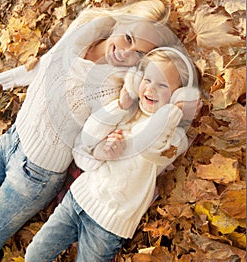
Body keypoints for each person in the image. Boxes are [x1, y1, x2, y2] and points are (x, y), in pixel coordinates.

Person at [0, 0, 179, 256]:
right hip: (11, 138)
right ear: (121, 20)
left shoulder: (118, 88)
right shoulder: (85, 29)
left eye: (138, 53)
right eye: (128, 38)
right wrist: (3, 81)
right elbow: (45, 65)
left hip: (35, 173)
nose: (125, 52)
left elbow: (97, 138)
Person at [24, 46, 200, 262]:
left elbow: (151, 145)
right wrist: (118, 110)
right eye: (146, 79)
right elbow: (89, 136)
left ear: (178, 96)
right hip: (79, 197)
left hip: (109, 224)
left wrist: (174, 111)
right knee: (35, 254)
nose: (151, 89)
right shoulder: (126, 112)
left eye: (162, 84)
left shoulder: (174, 137)